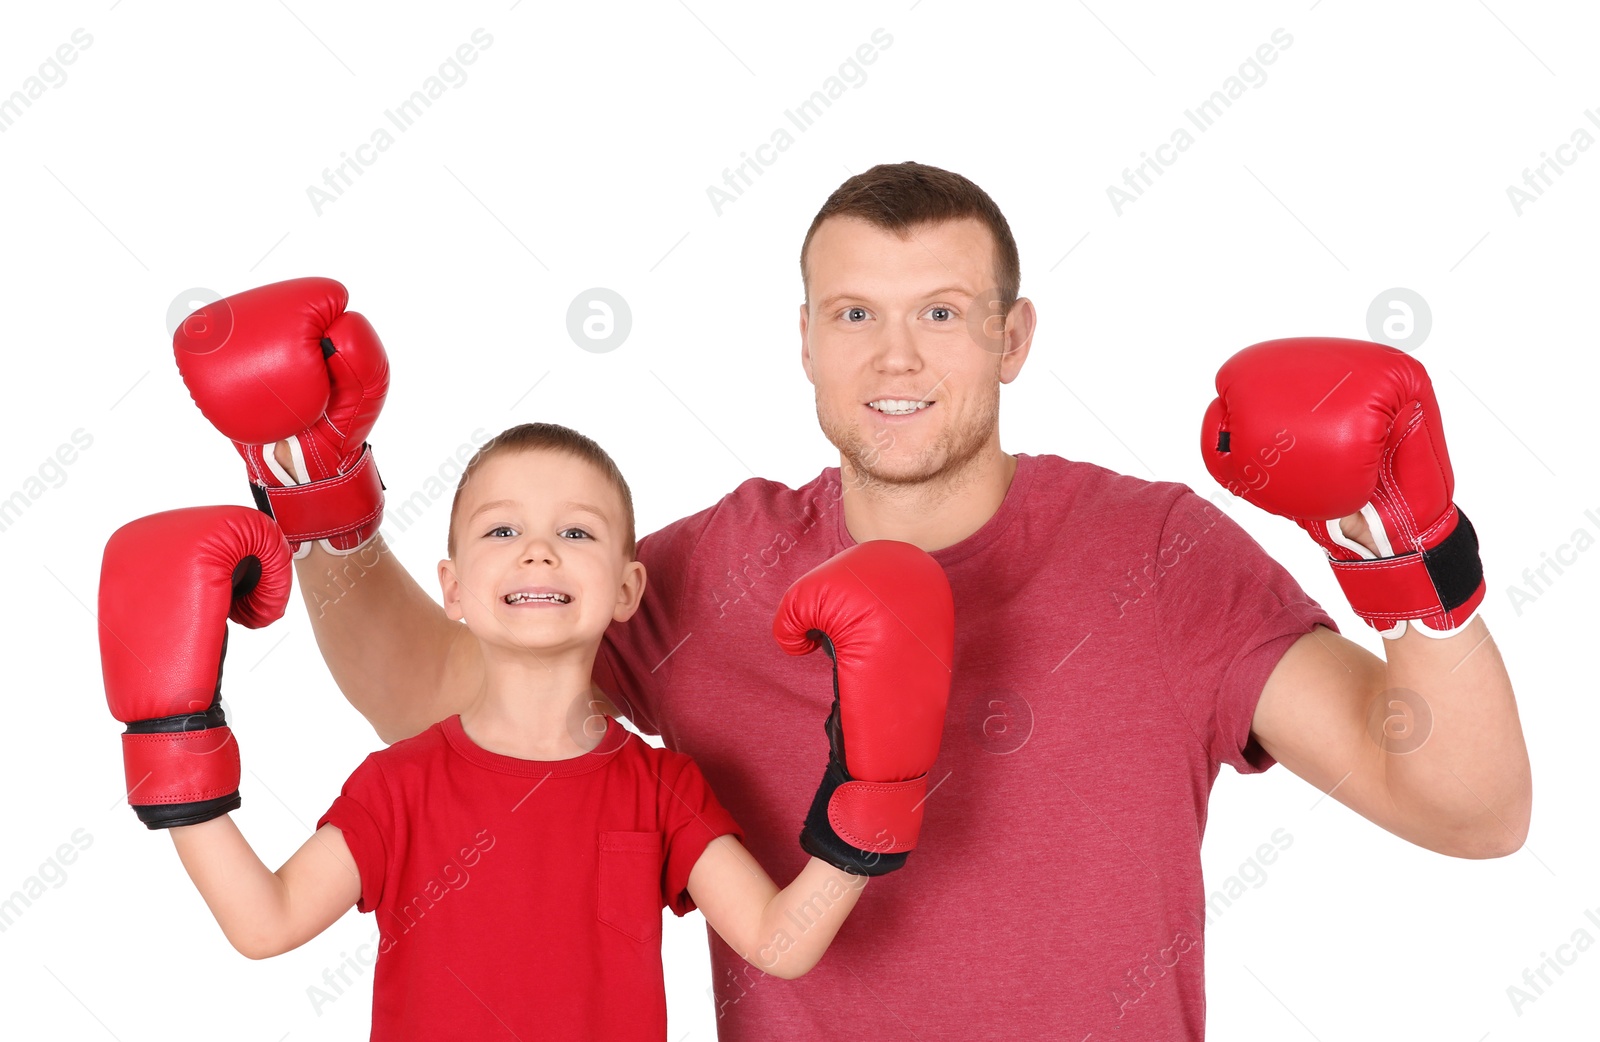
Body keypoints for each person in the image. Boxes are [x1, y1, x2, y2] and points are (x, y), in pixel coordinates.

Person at [172, 162, 1532, 1040]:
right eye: (853, 315)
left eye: (943, 314)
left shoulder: (1156, 554)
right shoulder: (705, 568)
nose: (896, 355)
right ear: (806, 337)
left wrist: (1411, 554)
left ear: (1012, 338)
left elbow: (1470, 806)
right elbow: (441, 710)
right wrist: (325, 503)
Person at [96, 424, 955, 1041]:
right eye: (502, 530)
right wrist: (173, 741)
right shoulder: (398, 785)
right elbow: (267, 923)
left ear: (625, 591)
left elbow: (777, 942)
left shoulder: (663, 787)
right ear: (454, 587)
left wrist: (870, 801)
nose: (538, 553)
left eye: (574, 532)